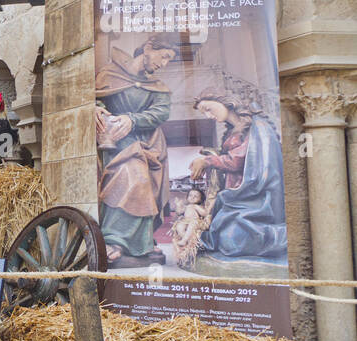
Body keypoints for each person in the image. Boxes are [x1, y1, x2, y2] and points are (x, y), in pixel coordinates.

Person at [94, 34, 178, 265]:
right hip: (112, 141)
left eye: (169, 60)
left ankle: (130, 242)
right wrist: (97, 109)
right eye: (164, 56)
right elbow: (95, 98)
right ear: (148, 48)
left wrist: (132, 120)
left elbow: (161, 113)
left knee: (141, 177)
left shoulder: (158, 87)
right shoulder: (110, 73)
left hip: (146, 143)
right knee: (129, 173)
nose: (164, 64)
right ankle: (117, 240)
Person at [189, 93, 288, 262]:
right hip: (237, 195)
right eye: (204, 113)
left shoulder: (258, 126)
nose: (208, 115)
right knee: (222, 235)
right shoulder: (231, 131)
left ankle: (279, 237)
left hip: (257, 196)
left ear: (226, 102)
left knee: (231, 239)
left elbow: (239, 160)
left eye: (208, 109)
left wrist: (207, 160)